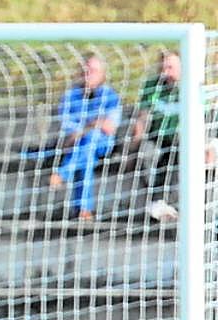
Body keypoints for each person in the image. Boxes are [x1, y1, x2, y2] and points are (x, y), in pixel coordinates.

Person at [48, 53, 122, 221]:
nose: (88, 74)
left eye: (93, 71)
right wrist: (94, 123)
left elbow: (110, 127)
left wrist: (86, 128)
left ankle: (62, 174)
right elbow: (66, 126)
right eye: (85, 71)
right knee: (87, 157)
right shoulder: (70, 96)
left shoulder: (110, 96)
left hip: (102, 143)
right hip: (76, 144)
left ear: (102, 74)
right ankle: (84, 211)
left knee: (91, 138)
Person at [130, 50, 181, 222]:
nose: (166, 72)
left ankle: (171, 203)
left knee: (179, 155)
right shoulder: (152, 86)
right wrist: (134, 143)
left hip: (181, 138)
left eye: (171, 67)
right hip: (156, 137)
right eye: (163, 68)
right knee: (146, 153)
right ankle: (157, 202)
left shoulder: (191, 86)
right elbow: (142, 116)